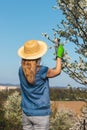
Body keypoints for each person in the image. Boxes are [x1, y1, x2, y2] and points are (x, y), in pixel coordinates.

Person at [17, 39, 64, 130]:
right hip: (41, 114)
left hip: (26, 113)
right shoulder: (43, 70)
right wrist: (59, 56)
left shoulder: (20, 70)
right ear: (39, 56)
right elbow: (57, 71)